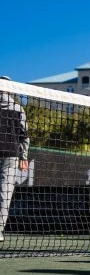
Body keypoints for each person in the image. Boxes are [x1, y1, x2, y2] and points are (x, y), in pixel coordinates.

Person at [0, 76, 30, 242]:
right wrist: (23, 156)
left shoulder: (18, 108)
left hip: (10, 156)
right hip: (11, 155)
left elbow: (24, 134)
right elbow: (24, 134)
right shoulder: (18, 108)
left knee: (4, 194)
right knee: (5, 194)